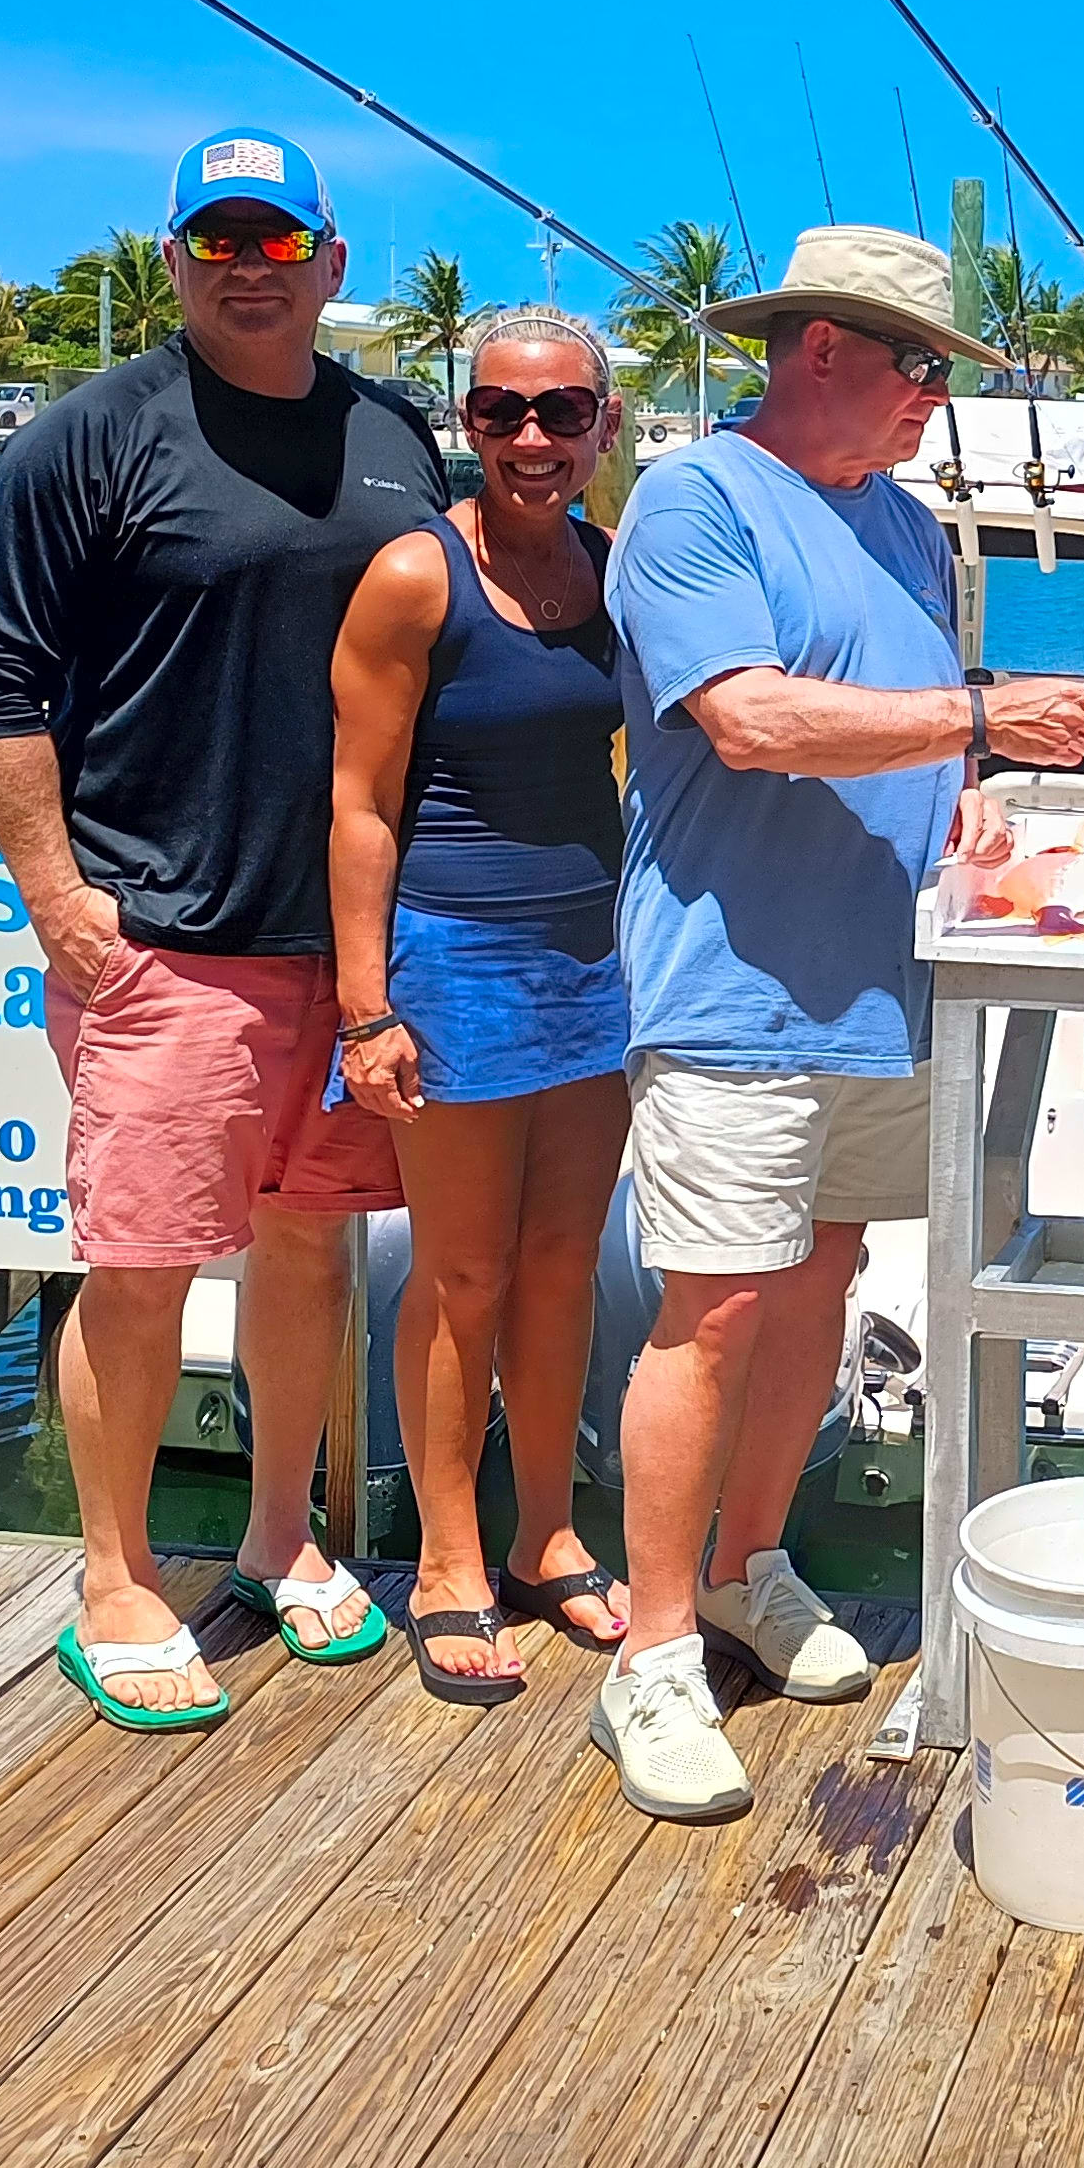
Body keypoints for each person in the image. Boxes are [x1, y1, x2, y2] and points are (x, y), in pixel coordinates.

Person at [599, 224, 1084, 1818]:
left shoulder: (907, 526)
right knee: (715, 1310)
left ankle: (757, 1566)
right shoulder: (694, 500)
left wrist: (983, 808)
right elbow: (750, 721)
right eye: (916, 370)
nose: (931, 404)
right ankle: (656, 1655)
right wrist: (980, 711)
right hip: (731, 987)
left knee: (823, 1271)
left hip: (883, 988)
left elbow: (907, 742)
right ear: (818, 347)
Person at [0, 130, 444, 1726]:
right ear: (174, 260)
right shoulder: (90, 436)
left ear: (331, 265)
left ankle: (283, 1536)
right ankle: (112, 1576)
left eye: (279, 242)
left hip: (349, 956)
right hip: (164, 936)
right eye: (219, 240)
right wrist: (58, 899)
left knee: (312, 1253)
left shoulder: (396, 434)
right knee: (144, 1262)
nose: (251, 266)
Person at [329, 309, 639, 1705]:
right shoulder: (414, 575)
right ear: (467, 423)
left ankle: (544, 1530)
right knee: (461, 1274)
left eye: (561, 413)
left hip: (596, 959)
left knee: (566, 1261)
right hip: (452, 959)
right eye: (504, 412)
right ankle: (448, 1559)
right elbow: (357, 805)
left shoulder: (620, 573)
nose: (532, 438)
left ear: (603, 430)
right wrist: (364, 1009)